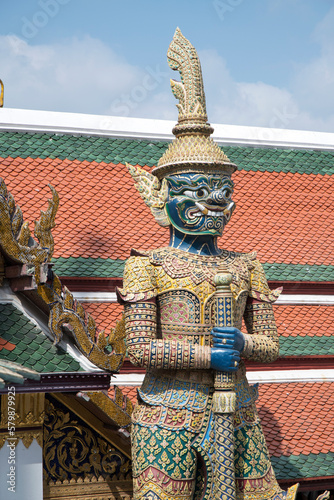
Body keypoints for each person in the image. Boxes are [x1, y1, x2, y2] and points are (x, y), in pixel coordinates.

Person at [117, 29, 298, 500]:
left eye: (220, 193)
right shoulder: (147, 266)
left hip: (236, 409)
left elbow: (272, 346)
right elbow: (139, 349)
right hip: (167, 412)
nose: (211, 204)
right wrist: (207, 357)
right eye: (196, 191)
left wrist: (241, 342)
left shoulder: (245, 265)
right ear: (162, 197)